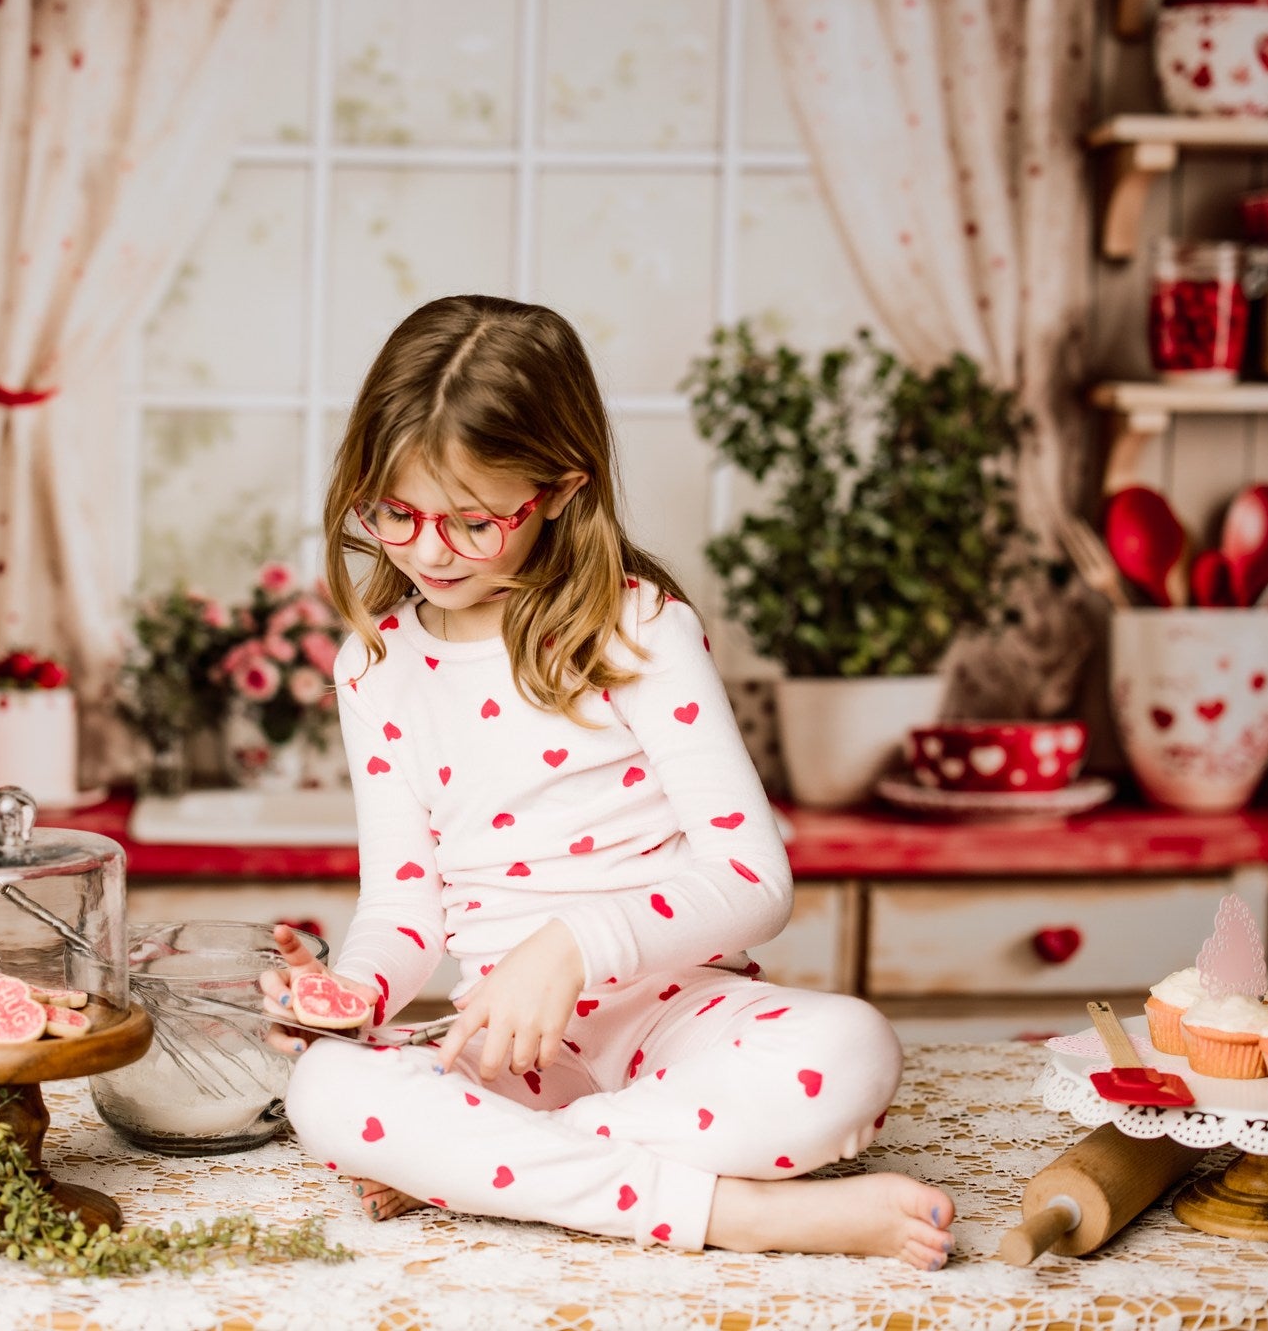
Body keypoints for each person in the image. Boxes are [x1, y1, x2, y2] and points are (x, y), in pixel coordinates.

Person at [257, 294, 955, 1267]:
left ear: (560, 487)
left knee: (851, 1047)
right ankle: (741, 1213)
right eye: (394, 512)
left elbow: (755, 882)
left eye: (471, 519)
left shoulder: (638, 630)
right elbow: (403, 909)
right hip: (495, 1050)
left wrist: (572, 946)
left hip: (676, 1023)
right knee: (323, 1087)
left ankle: (487, 1170)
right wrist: (357, 985)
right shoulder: (373, 663)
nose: (424, 549)